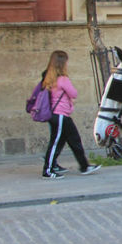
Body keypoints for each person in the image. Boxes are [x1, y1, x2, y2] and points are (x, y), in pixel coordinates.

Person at [40, 50, 101, 179]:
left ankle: (84, 166)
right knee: (56, 142)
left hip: (58, 116)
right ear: (62, 64)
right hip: (60, 115)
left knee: (73, 140)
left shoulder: (48, 79)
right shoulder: (62, 79)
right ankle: (48, 170)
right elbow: (74, 93)